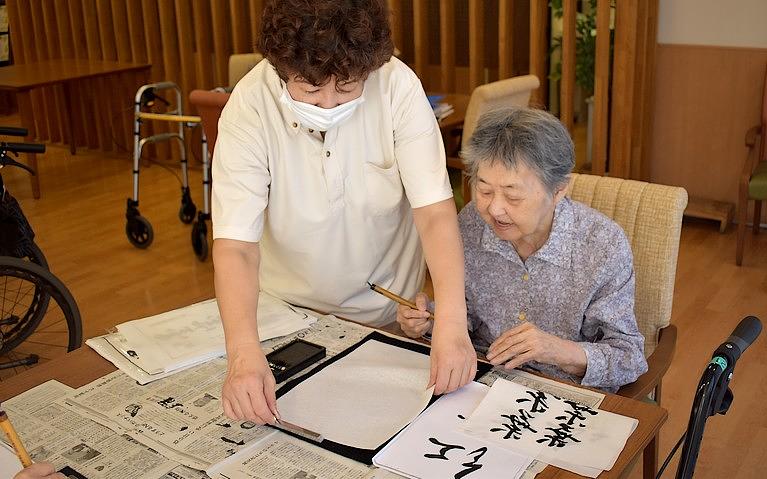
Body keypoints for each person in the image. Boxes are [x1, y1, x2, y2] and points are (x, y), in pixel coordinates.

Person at [211, 0, 476, 425]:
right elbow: (235, 244)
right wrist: (243, 354)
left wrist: (451, 319)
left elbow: (434, 213)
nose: (329, 105)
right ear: (280, 69)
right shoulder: (250, 105)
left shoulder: (397, 87)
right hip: (285, 317)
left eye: (348, 87)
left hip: (386, 319)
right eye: (311, 90)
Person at [397, 107, 648, 392]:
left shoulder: (602, 245)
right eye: (485, 190)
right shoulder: (471, 223)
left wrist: (555, 350)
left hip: (563, 396)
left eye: (513, 195)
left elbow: (629, 357)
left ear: (559, 189)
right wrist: (429, 320)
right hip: (480, 382)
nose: (494, 209)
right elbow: (466, 315)